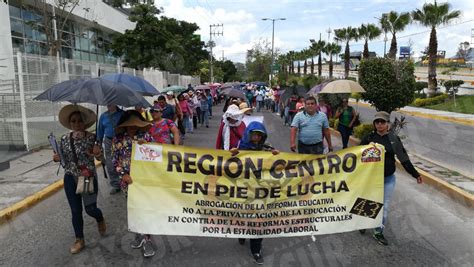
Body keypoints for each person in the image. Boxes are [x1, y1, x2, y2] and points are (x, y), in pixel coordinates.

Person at [359, 111, 422, 245]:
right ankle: (364, 222)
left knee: (384, 207)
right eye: (377, 122)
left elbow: (404, 159)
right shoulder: (369, 138)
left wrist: (415, 174)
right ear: (374, 124)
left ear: (388, 124)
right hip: (370, 179)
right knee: (368, 202)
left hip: (388, 179)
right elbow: (356, 156)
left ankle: (378, 232)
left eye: (383, 122)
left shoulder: (394, 139)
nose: (380, 124)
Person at [53, 105, 106, 254]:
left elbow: (102, 159)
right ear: (70, 123)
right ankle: (79, 240)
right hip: (70, 177)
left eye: (80, 121)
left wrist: (98, 153)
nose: (77, 124)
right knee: (75, 211)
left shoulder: (92, 138)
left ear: (85, 123)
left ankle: (99, 217)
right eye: (73, 121)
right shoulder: (64, 138)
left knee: (90, 209)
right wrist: (56, 158)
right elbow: (61, 157)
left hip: (86, 177)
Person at [229, 121, 279, 265]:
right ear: (248, 134)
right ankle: (242, 233)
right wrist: (232, 154)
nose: (256, 137)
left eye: (259, 135)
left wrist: (276, 154)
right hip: (244, 189)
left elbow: (279, 163)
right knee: (243, 216)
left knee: (258, 220)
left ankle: (256, 250)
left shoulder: (267, 148)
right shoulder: (241, 147)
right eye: (254, 134)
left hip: (261, 191)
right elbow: (230, 164)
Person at [111, 111, 156, 258]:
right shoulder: (118, 140)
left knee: (144, 209)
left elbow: (157, 156)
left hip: (144, 180)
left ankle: (147, 240)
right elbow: (114, 160)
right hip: (127, 182)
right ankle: (139, 235)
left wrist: (148, 147)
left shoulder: (146, 137)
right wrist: (123, 174)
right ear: (124, 125)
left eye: (135, 125)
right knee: (134, 210)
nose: (132, 127)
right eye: (129, 125)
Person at [94, 104, 124, 194]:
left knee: (123, 161)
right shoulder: (103, 116)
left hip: (121, 140)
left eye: (111, 101)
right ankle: (115, 184)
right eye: (108, 102)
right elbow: (100, 130)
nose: (109, 104)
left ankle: (125, 182)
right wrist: (98, 143)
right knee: (110, 163)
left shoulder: (123, 114)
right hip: (108, 141)